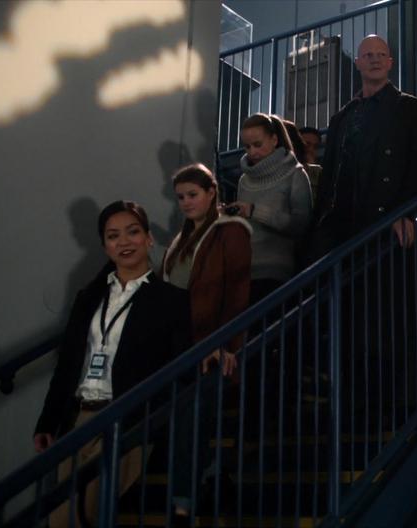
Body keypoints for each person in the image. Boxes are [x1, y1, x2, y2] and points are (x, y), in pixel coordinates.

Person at [34, 200, 191, 528]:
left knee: (84, 510)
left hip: (126, 418)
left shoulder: (170, 301)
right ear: (105, 246)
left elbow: (181, 362)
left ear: (148, 238)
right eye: (113, 236)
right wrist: (47, 422)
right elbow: (67, 365)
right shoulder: (88, 298)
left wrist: (215, 353)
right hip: (79, 418)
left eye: (133, 232)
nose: (124, 242)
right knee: (61, 518)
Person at [161, 163, 252, 517]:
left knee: (192, 417)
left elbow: (236, 291)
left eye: (192, 195)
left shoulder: (231, 230)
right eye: (181, 197)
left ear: (212, 192)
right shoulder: (179, 239)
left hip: (210, 341)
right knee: (182, 418)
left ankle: (184, 502)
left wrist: (228, 344)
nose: (186, 202)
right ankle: (212, 471)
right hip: (178, 343)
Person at [313, 34, 417, 255]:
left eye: (381, 55)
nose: (375, 60)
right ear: (357, 62)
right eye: (368, 55)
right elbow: (329, 176)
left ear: (390, 62)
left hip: (386, 225)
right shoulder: (341, 118)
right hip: (341, 229)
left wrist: (406, 212)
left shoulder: (412, 110)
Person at [226, 113, 313, 305]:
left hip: (276, 272)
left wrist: (256, 211)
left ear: (274, 139)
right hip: (243, 271)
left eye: (258, 144)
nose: (252, 152)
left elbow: (301, 226)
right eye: (247, 147)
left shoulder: (295, 174)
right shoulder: (243, 180)